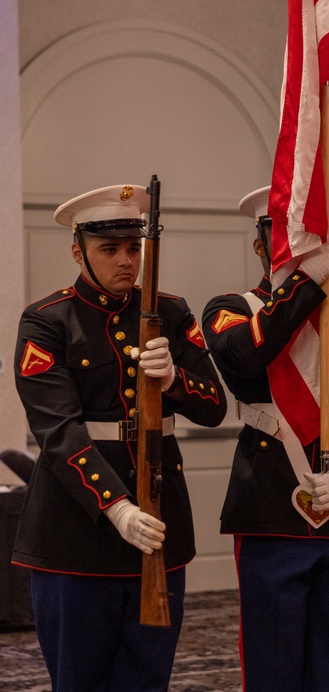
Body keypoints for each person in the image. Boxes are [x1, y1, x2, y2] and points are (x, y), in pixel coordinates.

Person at [12, 184, 227, 691]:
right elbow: (58, 432)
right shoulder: (47, 321)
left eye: (135, 248)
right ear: (78, 251)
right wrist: (117, 506)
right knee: (81, 679)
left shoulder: (172, 312)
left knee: (147, 676)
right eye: (110, 249)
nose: (126, 260)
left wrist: (176, 381)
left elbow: (215, 408)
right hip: (77, 532)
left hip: (159, 522)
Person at [202, 187, 329, 691]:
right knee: (275, 664)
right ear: (260, 245)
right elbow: (246, 354)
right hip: (271, 511)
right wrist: (303, 285)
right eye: (286, 235)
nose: (297, 245)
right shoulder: (231, 308)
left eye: (307, 235)